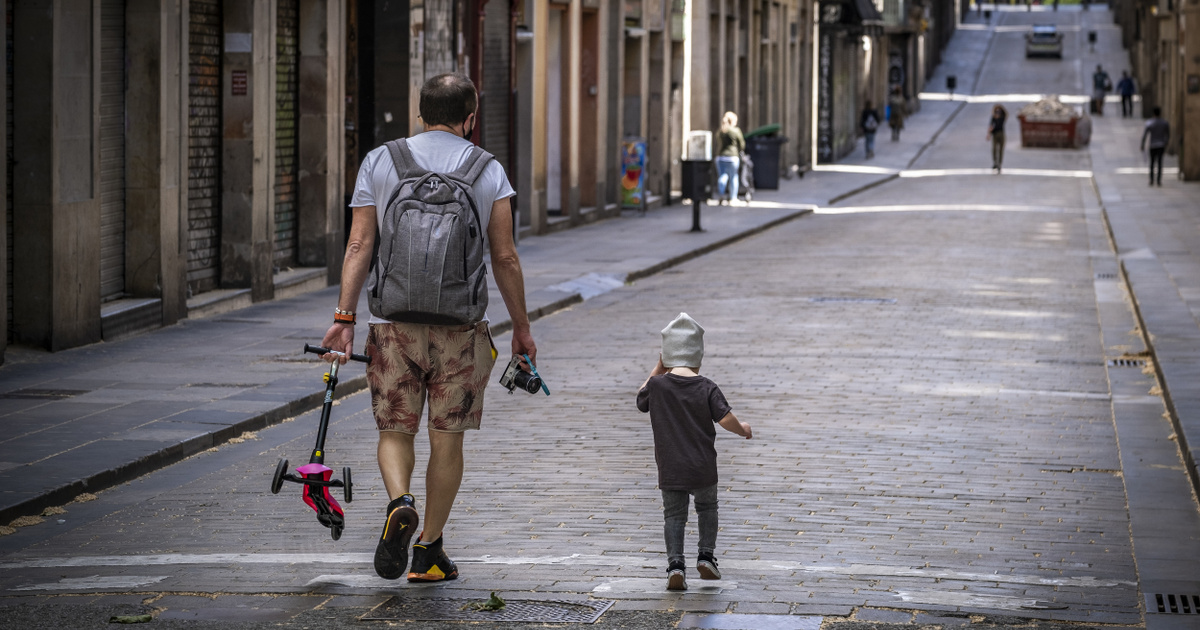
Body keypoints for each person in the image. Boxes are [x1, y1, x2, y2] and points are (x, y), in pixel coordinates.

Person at [320, 73, 537, 582]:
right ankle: (428, 551)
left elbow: (359, 246)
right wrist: (521, 328)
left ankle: (400, 501)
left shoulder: (381, 161)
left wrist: (344, 319)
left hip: (392, 323)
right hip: (460, 329)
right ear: (471, 118)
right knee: (447, 439)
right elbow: (504, 256)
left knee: (395, 428)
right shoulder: (488, 170)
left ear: (419, 113)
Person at [636, 313, 752, 591]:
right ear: (698, 356)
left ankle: (675, 565)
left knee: (673, 515)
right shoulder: (706, 386)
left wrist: (658, 367)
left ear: (667, 357)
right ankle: (706, 557)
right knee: (707, 508)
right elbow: (725, 419)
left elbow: (641, 399)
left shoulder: (657, 385)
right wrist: (743, 428)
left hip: (671, 466)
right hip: (702, 466)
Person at [715, 112, 745, 206]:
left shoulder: (720, 131)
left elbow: (717, 141)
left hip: (720, 157)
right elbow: (742, 144)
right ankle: (733, 198)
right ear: (732, 121)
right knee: (733, 177)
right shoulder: (735, 131)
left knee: (722, 176)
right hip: (732, 157)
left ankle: (721, 195)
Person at [1141, 107, 1170, 187]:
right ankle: (1158, 180)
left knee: (1152, 163)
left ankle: (1151, 180)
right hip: (1161, 145)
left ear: (1153, 113)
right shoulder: (1164, 123)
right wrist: (1166, 143)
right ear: (1160, 113)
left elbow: (1145, 135)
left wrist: (1142, 144)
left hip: (1153, 145)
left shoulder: (1150, 123)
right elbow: (1167, 134)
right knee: (1160, 163)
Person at [985, 104, 1007, 173]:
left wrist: (998, 117)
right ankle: (995, 162)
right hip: (994, 135)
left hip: (1001, 134)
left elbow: (999, 125)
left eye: (999, 111)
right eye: (996, 111)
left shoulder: (1002, 117)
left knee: (1000, 150)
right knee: (994, 149)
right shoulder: (993, 117)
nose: (997, 113)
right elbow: (991, 126)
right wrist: (989, 134)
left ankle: (999, 164)